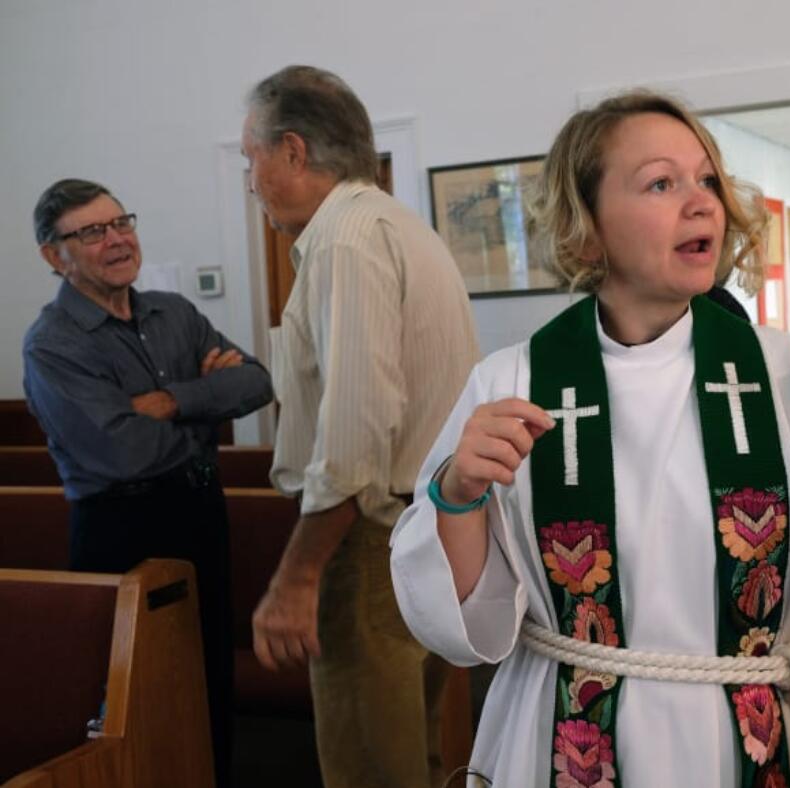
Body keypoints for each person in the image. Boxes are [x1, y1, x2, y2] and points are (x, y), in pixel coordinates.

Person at [390, 90, 790, 787]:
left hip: (745, 738)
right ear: (585, 228)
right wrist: (458, 493)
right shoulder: (512, 384)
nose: (702, 203)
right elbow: (463, 625)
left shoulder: (779, 373)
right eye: (662, 182)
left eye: (708, 180)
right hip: (565, 734)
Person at [242, 65, 480, 787]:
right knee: (418, 754)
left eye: (252, 158)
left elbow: (352, 440)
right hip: (436, 527)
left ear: (291, 151)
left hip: (371, 538)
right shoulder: (398, 225)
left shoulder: (345, 241)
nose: (251, 180)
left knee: (369, 767)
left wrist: (296, 578)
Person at [23, 177, 273, 786]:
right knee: (137, 699)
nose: (116, 240)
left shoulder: (175, 313)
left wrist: (170, 399)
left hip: (200, 512)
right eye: (92, 232)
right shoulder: (52, 344)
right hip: (120, 528)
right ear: (56, 256)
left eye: (121, 223)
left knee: (211, 676)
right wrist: (209, 407)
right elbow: (122, 452)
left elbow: (259, 382)